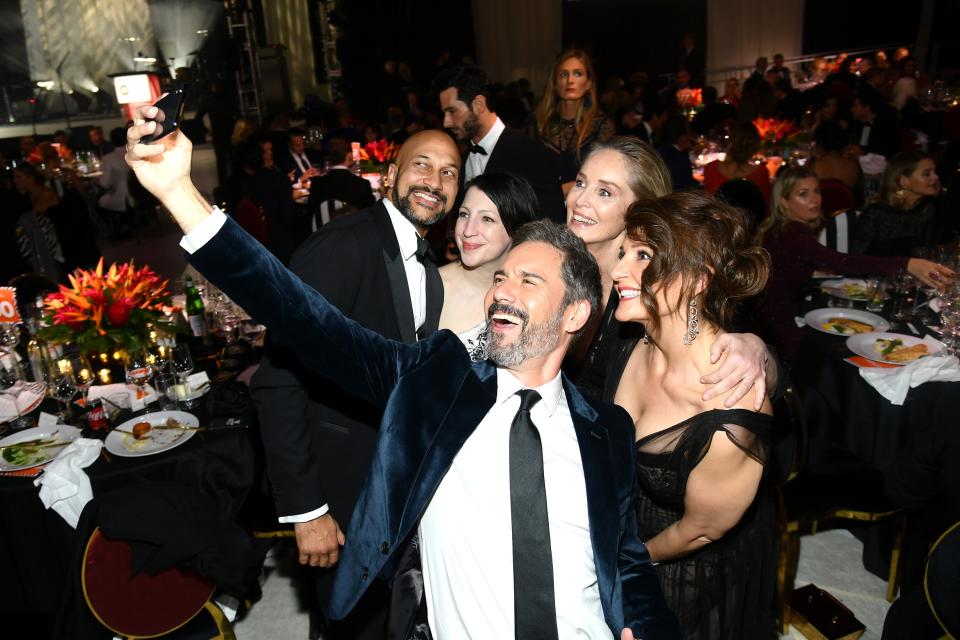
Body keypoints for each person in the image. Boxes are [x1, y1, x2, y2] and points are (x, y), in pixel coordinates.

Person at [124, 108, 682, 640]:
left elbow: (626, 560)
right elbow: (302, 314)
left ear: (575, 315)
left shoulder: (605, 433)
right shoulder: (434, 384)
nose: (503, 292)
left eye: (529, 282)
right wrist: (179, 192)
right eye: (502, 277)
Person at [249, 130, 454, 639]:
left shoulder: (428, 268)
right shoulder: (343, 247)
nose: (434, 181)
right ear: (389, 176)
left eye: (449, 172)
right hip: (339, 497)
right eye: (421, 165)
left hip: (388, 494)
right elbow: (278, 381)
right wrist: (307, 509)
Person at [607, 191, 776, 639]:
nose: (618, 269)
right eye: (624, 252)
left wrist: (631, 560)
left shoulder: (728, 412)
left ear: (699, 280)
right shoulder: (634, 341)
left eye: (643, 255)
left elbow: (702, 530)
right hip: (626, 527)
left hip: (682, 563)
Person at [566, 137, 774, 404]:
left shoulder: (662, 282)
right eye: (580, 182)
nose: (580, 199)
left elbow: (719, 347)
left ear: (641, 208)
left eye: (605, 192)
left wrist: (757, 351)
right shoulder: (554, 260)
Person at [756, 166, 951, 367]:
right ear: (784, 202)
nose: (815, 199)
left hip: (771, 315)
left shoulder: (782, 228)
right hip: (779, 323)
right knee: (837, 359)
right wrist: (907, 264)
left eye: (816, 191)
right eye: (803, 194)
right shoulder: (793, 233)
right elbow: (843, 262)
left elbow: (785, 265)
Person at [435, 64, 566, 223]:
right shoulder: (461, 159)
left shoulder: (531, 153)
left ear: (479, 104)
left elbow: (553, 222)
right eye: (444, 113)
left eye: (452, 111)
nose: (446, 122)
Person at [439, 172, 539, 360]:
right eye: (464, 214)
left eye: (487, 219)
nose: (468, 231)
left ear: (516, 230)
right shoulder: (429, 286)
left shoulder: (531, 300)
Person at [533, 49, 616, 193]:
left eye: (578, 73)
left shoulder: (602, 126)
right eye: (563, 74)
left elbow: (602, 178)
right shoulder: (540, 124)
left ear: (588, 83)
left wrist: (557, 190)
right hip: (544, 208)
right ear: (555, 83)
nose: (570, 80)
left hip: (584, 207)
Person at [853, 152, 945, 257]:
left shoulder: (928, 209)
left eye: (935, 172)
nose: (936, 177)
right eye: (927, 174)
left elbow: (931, 252)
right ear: (904, 181)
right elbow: (857, 260)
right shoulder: (877, 214)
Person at [306, 137, 376, 229]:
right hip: (354, 238)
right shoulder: (361, 184)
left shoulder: (316, 183)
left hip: (324, 238)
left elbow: (311, 216)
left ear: (329, 159)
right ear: (348, 156)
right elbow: (372, 216)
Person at [702, 122, 771, 206]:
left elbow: (706, 204)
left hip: (717, 218)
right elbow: (766, 208)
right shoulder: (761, 173)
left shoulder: (711, 168)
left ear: (729, 142)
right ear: (754, 146)